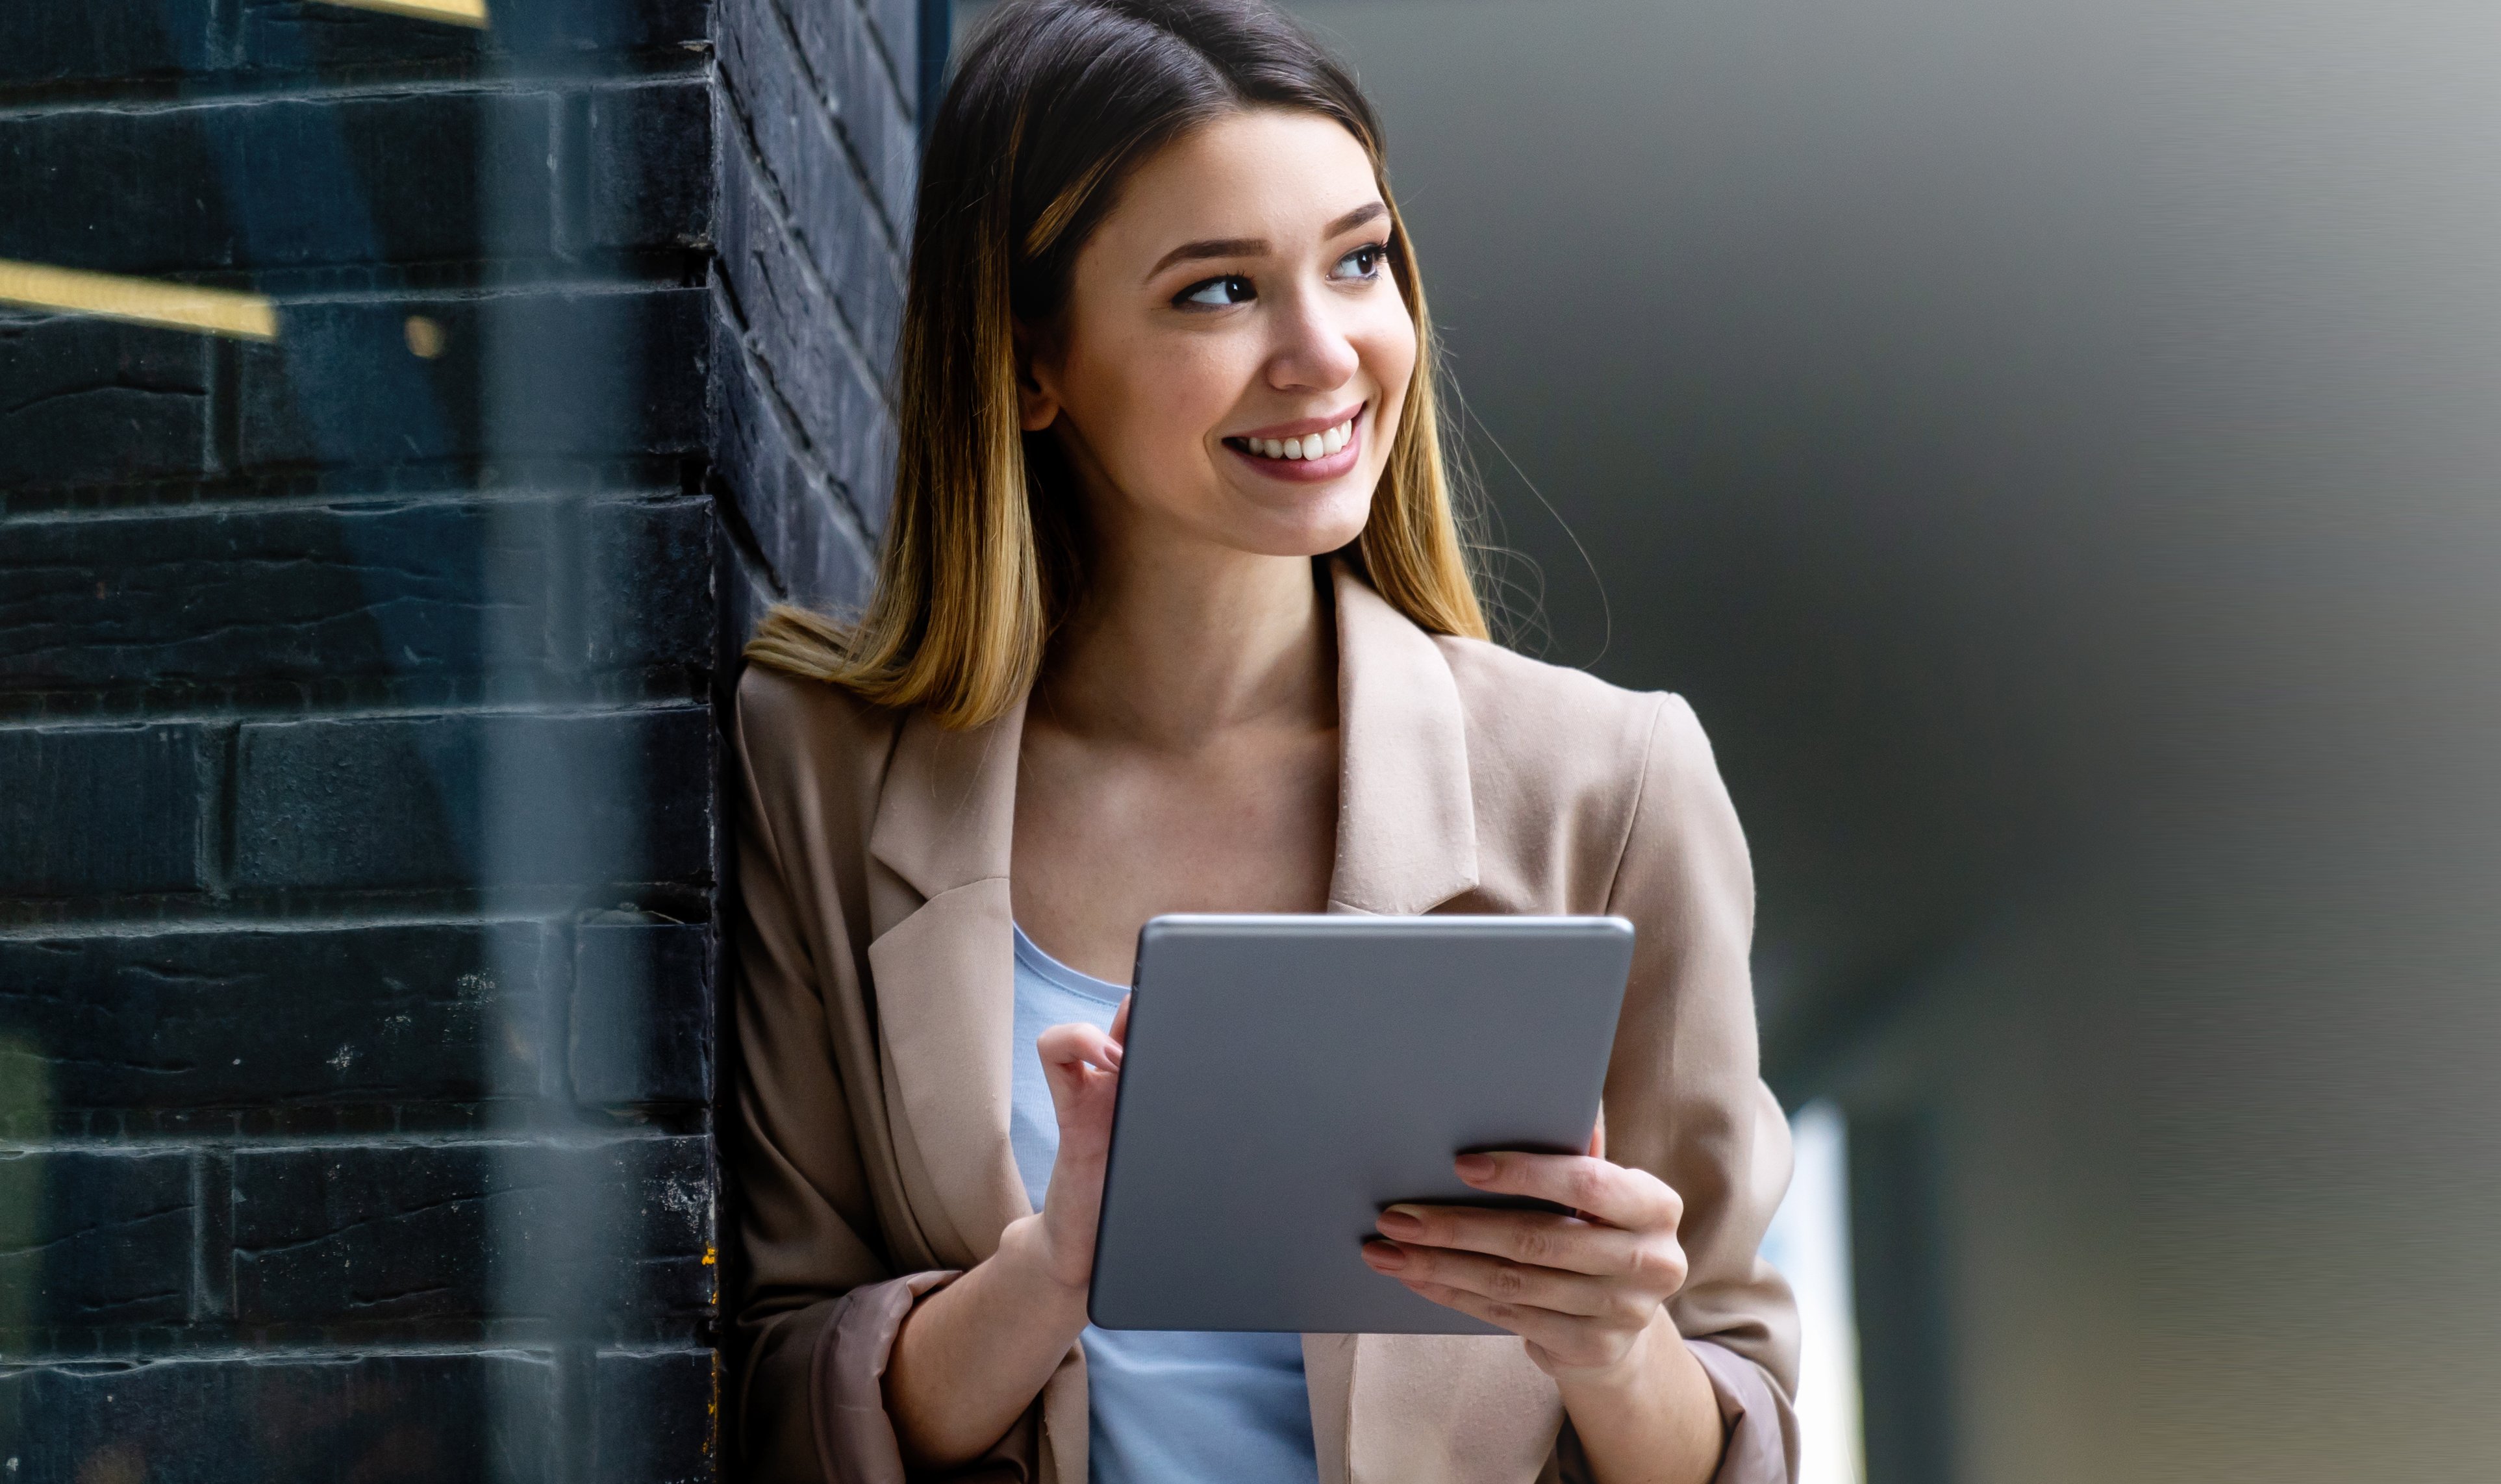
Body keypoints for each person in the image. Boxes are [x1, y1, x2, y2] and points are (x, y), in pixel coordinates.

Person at [726, 1, 1800, 1479]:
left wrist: (1610, 1343)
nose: (1324, 354)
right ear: (1033, 364)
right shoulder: (819, 770)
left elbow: (1743, 1418)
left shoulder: (1610, 784)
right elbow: (771, 1390)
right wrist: (1050, 1273)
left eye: (1359, 262)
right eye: (1218, 292)